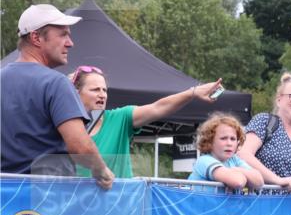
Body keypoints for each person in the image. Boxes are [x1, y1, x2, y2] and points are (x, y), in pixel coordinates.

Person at [0, 4, 113, 189]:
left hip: (5, 198)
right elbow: (80, 148)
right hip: (48, 196)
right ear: (36, 37)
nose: (70, 43)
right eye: (63, 35)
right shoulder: (56, 83)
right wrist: (102, 170)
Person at [70, 64, 223, 178]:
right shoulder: (65, 128)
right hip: (80, 207)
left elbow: (158, 108)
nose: (102, 95)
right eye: (95, 90)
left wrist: (193, 93)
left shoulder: (120, 118)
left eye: (104, 90)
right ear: (76, 92)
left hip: (119, 206)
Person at [188, 113, 264, 191]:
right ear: (210, 142)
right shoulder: (204, 160)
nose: (229, 143)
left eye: (233, 139)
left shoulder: (234, 159)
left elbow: (259, 182)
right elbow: (238, 182)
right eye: (223, 138)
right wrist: (246, 177)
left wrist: (237, 170)